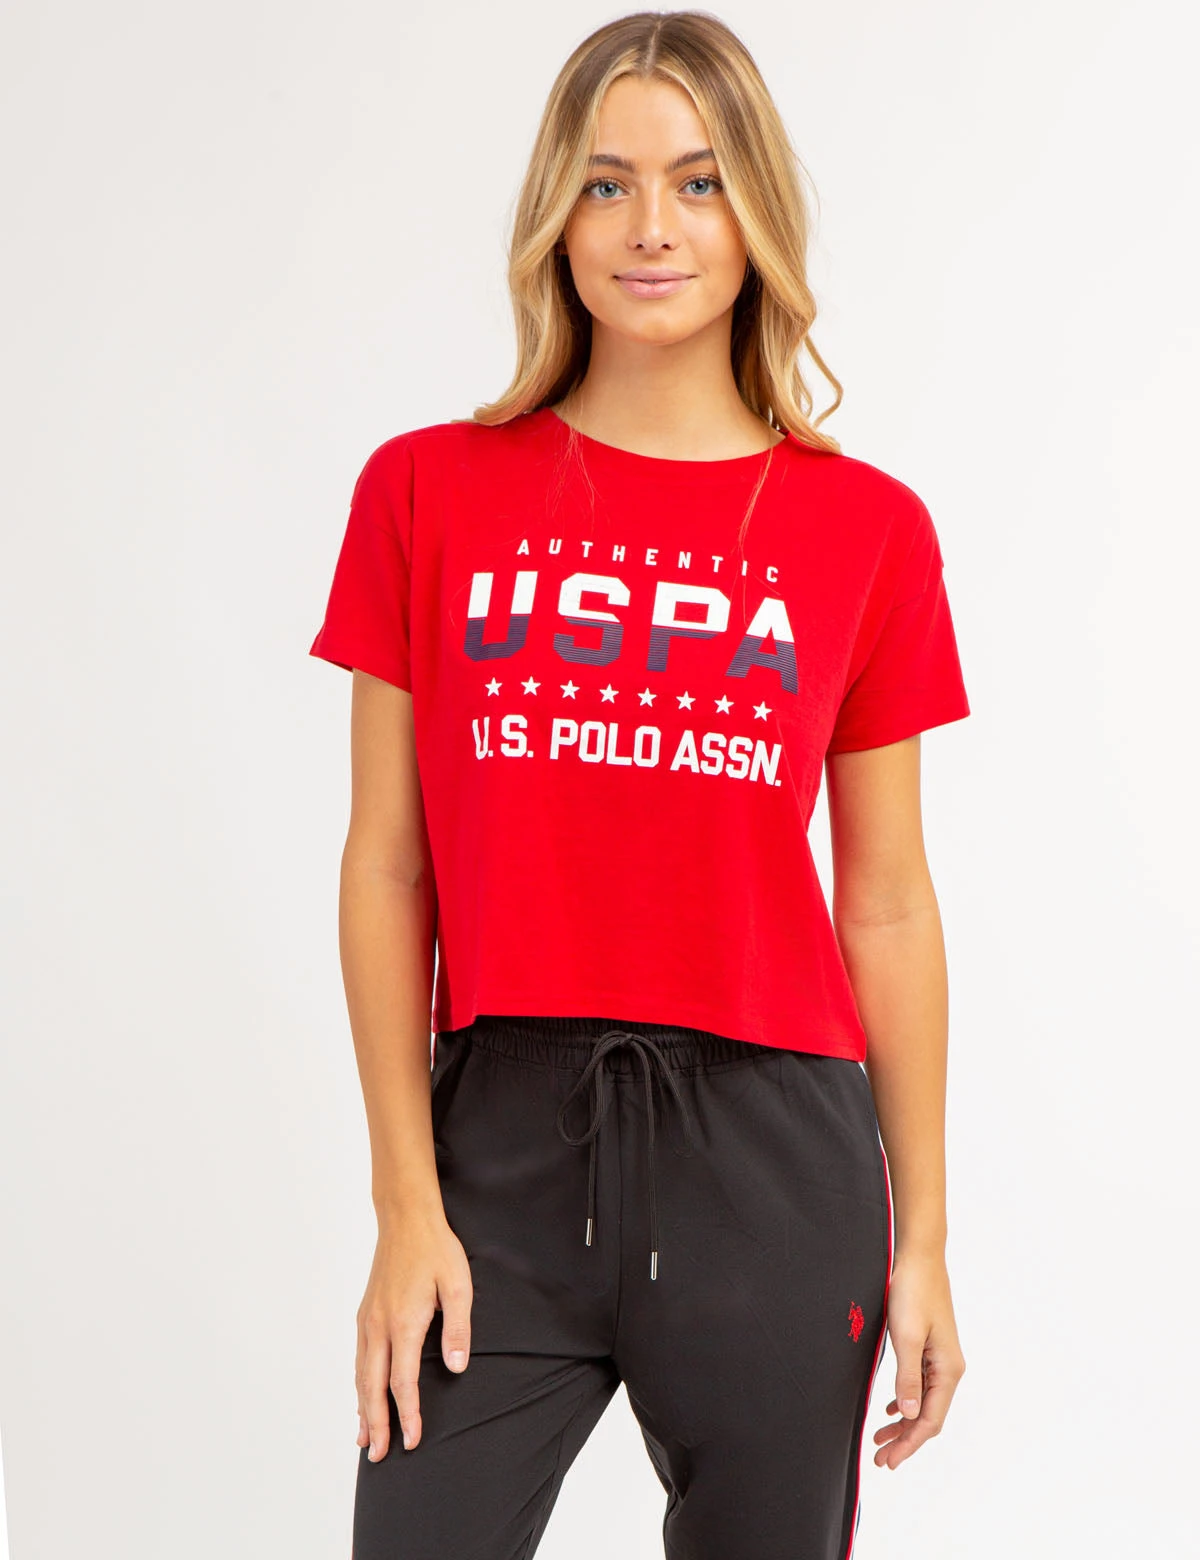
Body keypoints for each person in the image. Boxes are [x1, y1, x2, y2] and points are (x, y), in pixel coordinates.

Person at [308, 11, 970, 1559]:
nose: (651, 226)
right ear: (557, 214)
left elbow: (885, 902)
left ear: (758, 216)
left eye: (699, 180)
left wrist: (926, 1238)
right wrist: (407, 1205)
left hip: (775, 1163)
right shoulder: (427, 491)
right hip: (498, 1149)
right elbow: (388, 866)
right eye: (607, 183)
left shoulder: (866, 530)